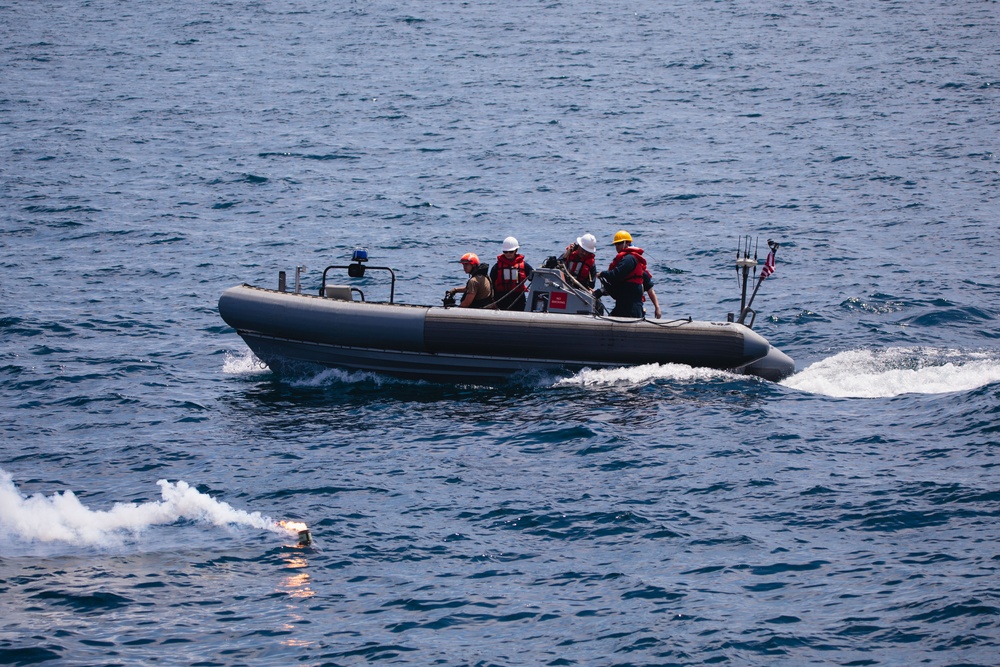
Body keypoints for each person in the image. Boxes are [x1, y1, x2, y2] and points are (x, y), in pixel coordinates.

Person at [596, 230, 647, 318]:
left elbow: (616, 274)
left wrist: (603, 274)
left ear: (627, 243)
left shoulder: (629, 259)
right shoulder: (624, 259)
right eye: (616, 244)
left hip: (630, 306)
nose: (617, 246)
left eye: (619, 243)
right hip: (623, 303)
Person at [489, 236, 533, 311]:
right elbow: (490, 283)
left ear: (516, 251)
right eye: (505, 252)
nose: (508, 254)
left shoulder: (524, 266)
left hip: (518, 298)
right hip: (501, 298)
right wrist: (492, 300)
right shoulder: (497, 267)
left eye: (511, 251)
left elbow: (533, 278)